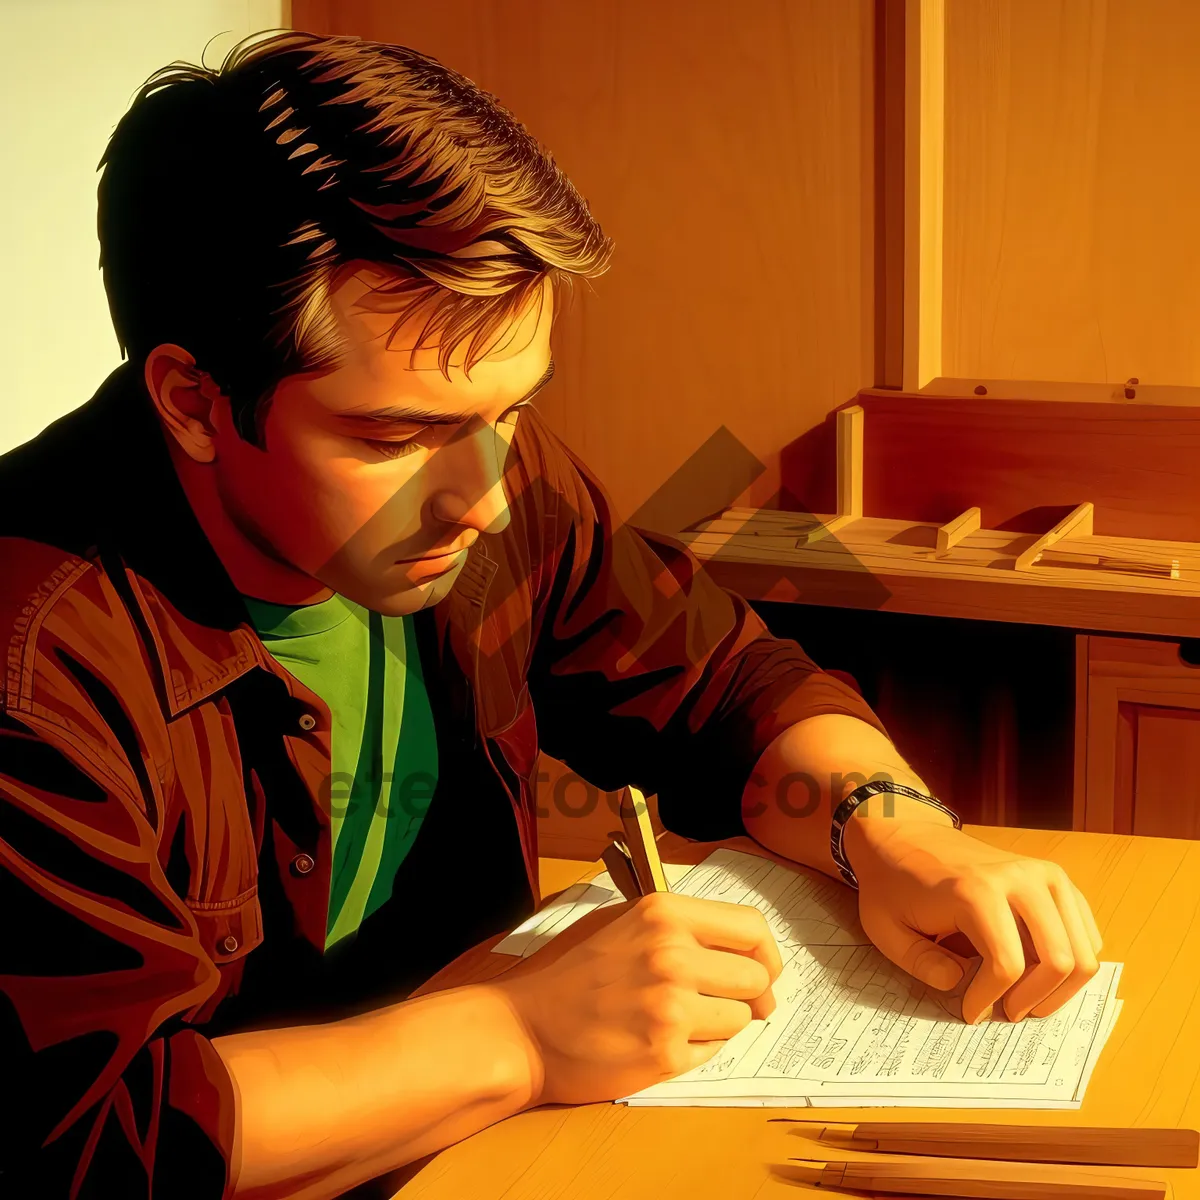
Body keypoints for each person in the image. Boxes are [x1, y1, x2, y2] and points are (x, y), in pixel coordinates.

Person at [0, 30, 1101, 1200]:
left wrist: (892, 830)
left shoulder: (491, 481)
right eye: (393, 436)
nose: (480, 495)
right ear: (192, 400)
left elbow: (721, 685)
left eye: (513, 409)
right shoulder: (37, 669)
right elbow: (98, 1139)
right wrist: (520, 1035)